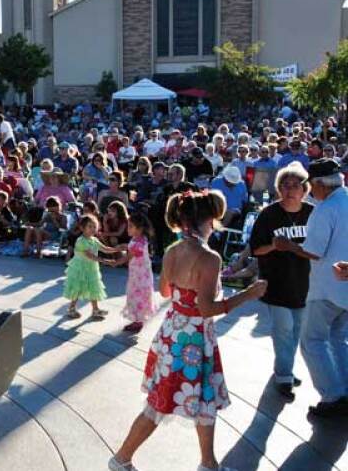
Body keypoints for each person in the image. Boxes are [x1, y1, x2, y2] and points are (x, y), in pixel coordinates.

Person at [109, 190, 268, 471]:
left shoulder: (172, 251)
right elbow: (207, 308)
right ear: (206, 221)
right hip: (193, 338)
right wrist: (248, 294)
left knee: (187, 401)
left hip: (173, 330)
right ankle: (122, 458)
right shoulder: (209, 257)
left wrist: (187, 292)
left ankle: (208, 464)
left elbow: (165, 290)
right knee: (164, 404)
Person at [272, 158, 348, 417]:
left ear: (318, 184)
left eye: (309, 185)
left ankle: (333, 396)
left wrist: (288, 246)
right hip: (343, 287)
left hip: (327, 287)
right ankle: (344, 390)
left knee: (312, 341)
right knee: (339, 338)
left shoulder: (325, 210)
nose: (309, 191)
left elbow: (315, 252)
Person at [248, 162, 313, 399]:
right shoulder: (269, 214)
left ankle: (285, 368)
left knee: (296, 331)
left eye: (296, 185)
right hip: (276, 282)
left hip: (305, 283)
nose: (290, 190)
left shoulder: (312, 213)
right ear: (279, 188)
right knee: (283, 330)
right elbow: (256, 249)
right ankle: (284, 376)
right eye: (285, 185)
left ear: (304, 189)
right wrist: (274, 245)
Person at [63, 214, 117, 319]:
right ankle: (71, 308)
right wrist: (105, 261)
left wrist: (117, 249)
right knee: (77, 289)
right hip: (80, 268)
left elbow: (104, 248)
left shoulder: (94, 240)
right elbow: (90, 255)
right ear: (82, 228)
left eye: (94, 226)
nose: (93, 229)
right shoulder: (81, 241)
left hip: (91, 268)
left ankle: (95, 310)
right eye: (90, 226)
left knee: (94, 288)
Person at [113, 213, 158, 333]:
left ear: (140, 229)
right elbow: (129, 247)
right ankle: (138, 320)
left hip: (140, 278)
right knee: (137, 296)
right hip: (138, 275)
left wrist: (116, 262)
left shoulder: (139, 243)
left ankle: (138, 321)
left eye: (131, 226)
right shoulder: (139, 239)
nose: (128, 228)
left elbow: (128, 256)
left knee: (137, 297)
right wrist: (120, 247)